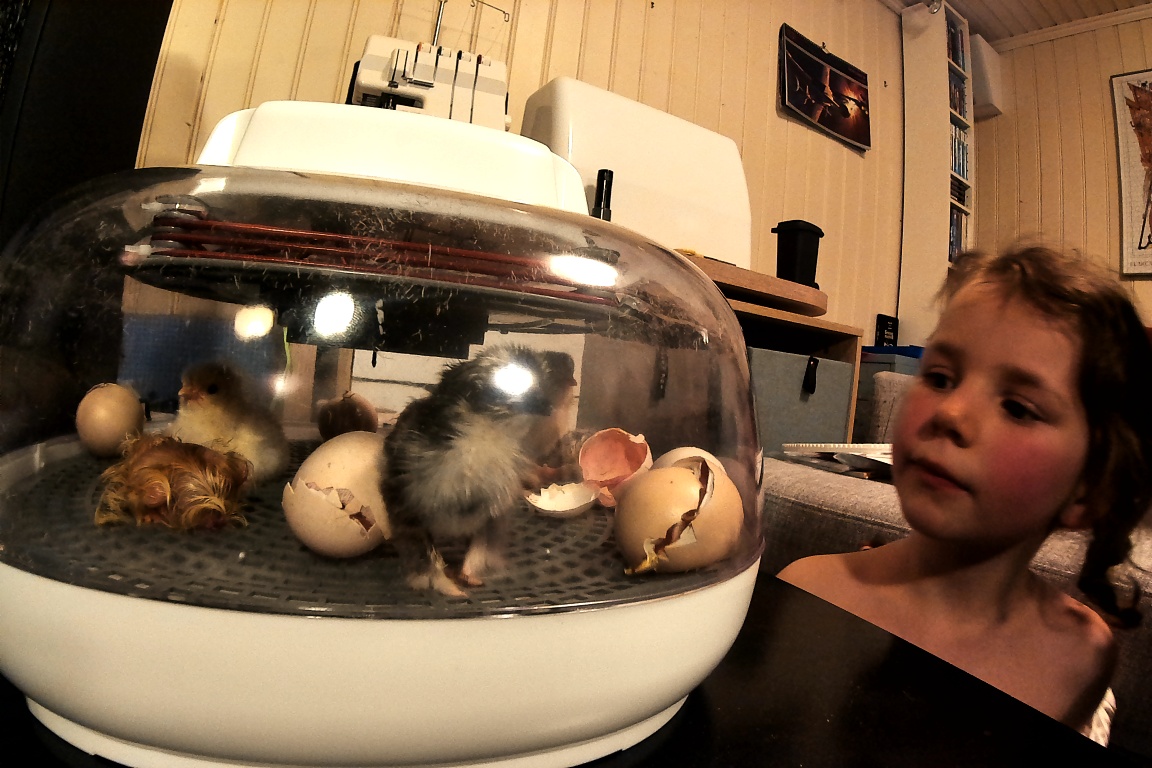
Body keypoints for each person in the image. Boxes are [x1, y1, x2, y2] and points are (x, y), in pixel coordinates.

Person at [779, 244, 1152, 737]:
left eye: (1017, 407)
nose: (950, 412)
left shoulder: (1083, 656)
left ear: (1089, 493)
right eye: (940, 377)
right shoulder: (807, 592)